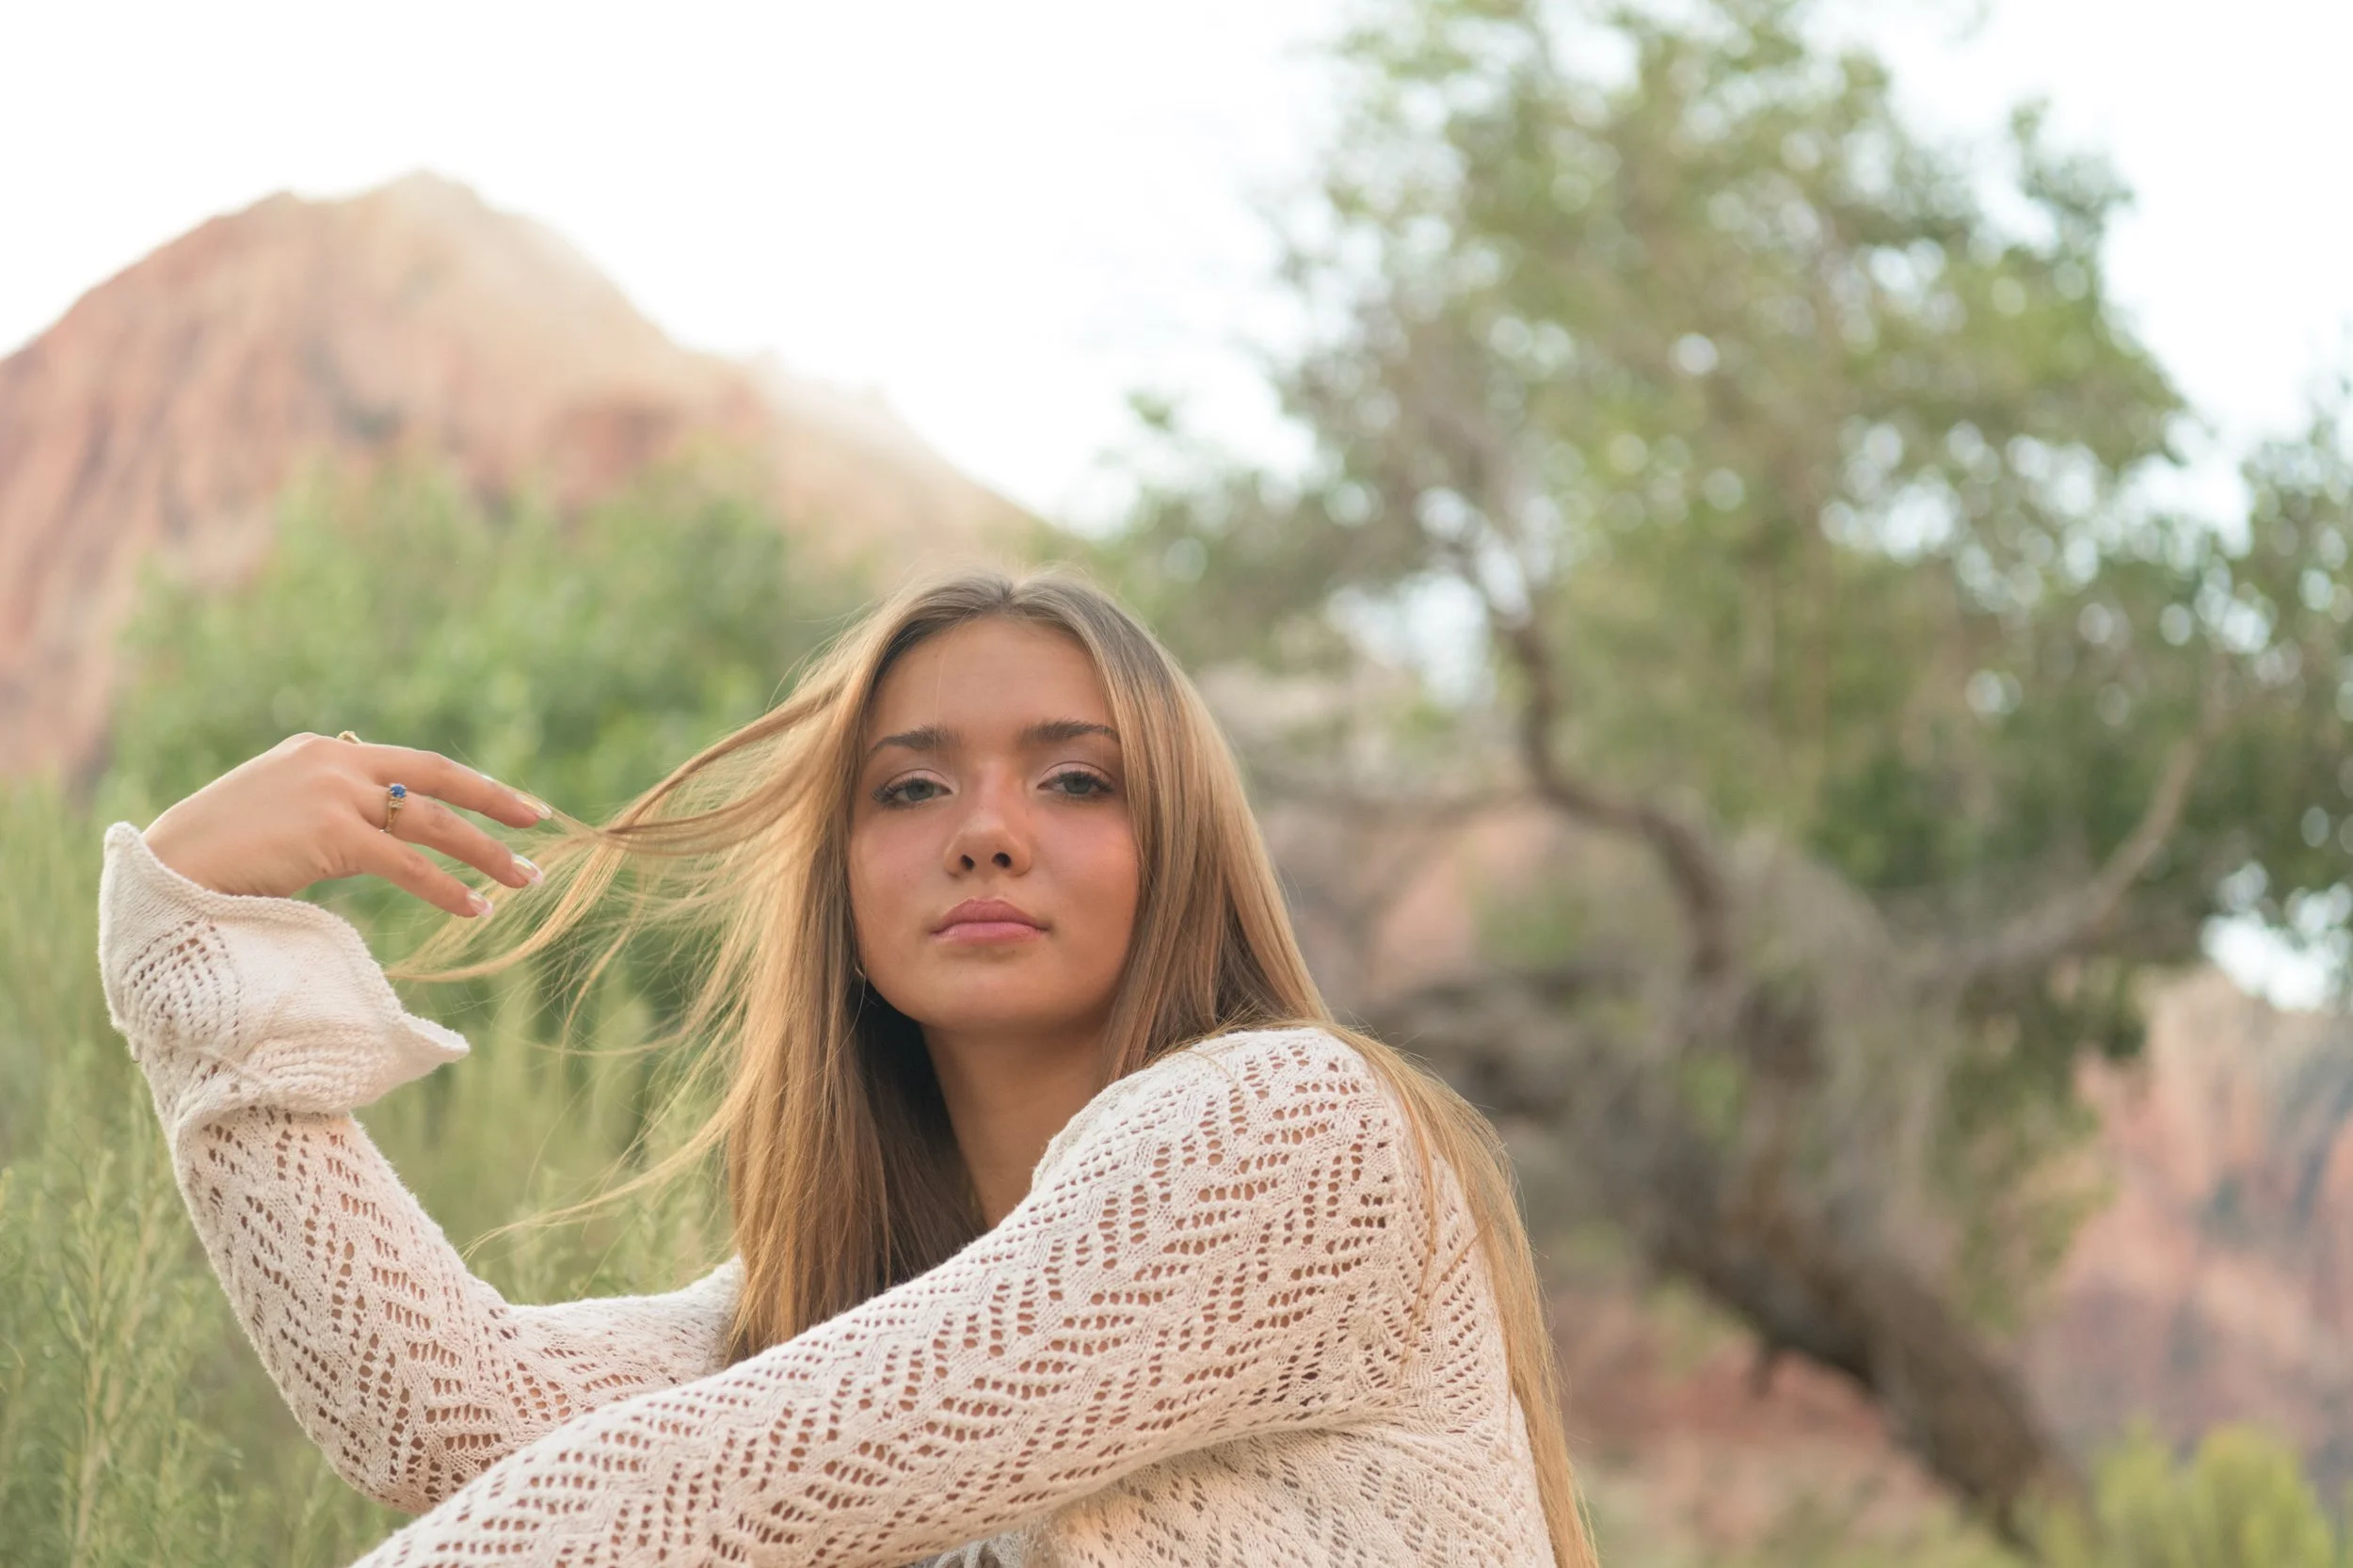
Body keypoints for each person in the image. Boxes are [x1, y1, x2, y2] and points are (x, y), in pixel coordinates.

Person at [96, 562, 1598, 1567]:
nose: (987, 827)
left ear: (1184, 850)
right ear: (846, 884)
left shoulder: (1290, 1128)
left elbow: (679, 1491)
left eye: (1076, 779)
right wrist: (189, 940)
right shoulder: (844, 1296)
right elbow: (446, 1412)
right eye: (912, 785)